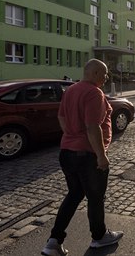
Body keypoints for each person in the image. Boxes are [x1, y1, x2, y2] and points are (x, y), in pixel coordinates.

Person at [41, 59, 123, 256]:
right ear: (94, 73)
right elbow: (92, 126)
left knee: (74, 194)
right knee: (95, 197)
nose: (106, 78)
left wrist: (71, 134)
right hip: (87, 155)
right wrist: (101, 156)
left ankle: (54, 242)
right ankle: (99, 237)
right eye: (104, 74)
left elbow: (61, 117)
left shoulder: (70, 90)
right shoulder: (93, 92)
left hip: (67, 152)